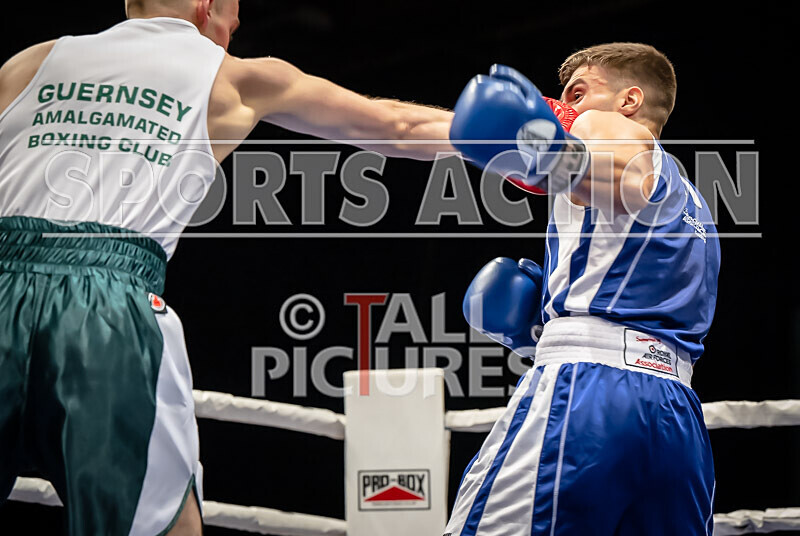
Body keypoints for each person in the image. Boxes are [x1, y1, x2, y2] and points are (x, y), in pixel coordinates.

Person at [0, 0, 454, 534]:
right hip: (107, 310)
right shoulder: (232, 77)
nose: (235, 29)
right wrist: (528, 137)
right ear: (205, 6)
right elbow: (400, 126)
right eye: (233, 16)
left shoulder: (30, 62)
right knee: (172, 526)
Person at [446, 43, 720, 535]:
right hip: (676, 414)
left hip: (588, 395)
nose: (566, 107)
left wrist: (548, 153)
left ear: (629, 101)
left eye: (578, 92)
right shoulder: (693, 204)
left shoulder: (605, 127)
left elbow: (624, 180)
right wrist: (536, 336)